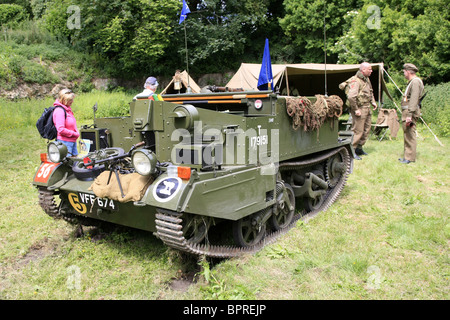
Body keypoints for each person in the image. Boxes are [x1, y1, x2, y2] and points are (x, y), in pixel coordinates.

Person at [346, 62, 377, 159]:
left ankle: (359, 148)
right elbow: (351, 97)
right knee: (358, 131)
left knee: (366, 129)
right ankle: (352, 150)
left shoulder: (366, 80)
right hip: (359, 109)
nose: (371, 71)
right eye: (369, 69)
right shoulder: (356, 81)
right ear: (363, 70)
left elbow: (370, 91)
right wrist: (356, 109)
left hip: (367, 108)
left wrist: (373, 102)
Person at [399, 63, 424, 164]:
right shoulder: (412, 82)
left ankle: (409, 158)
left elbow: (413, 99)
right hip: (409, 111)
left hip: (410, 112)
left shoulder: (415, 82)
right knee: (407, 134)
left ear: (408, 72)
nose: (404, 74)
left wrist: (409, 115)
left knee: (410, 134)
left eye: (404, 72)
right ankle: (407, 156)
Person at [53, 88, 79, 156]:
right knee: (67, 163)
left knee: (75, 163)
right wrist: (74, 134)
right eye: (70, 100)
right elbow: (60, 129)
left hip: (72, 141)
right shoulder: (60, 111)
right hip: (65, 142)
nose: (72, 101)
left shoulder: (67, 110)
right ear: (64, 100)